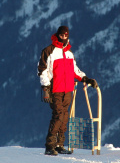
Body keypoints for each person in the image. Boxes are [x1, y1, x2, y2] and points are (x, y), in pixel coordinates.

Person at [37, 26, 98, 156]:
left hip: (68, 90)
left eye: (65, 35)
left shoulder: (69, 54)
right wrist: (45, 88)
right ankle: (49, 146)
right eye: (61, 35)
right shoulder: (49, 51)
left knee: (64, 118)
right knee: (58, 116)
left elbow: (74, 71)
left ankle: (59, 145)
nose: (63, 37)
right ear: (57, 35)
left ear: (67, 36)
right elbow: (42, 70)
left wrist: (86, 79)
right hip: (55, 89)